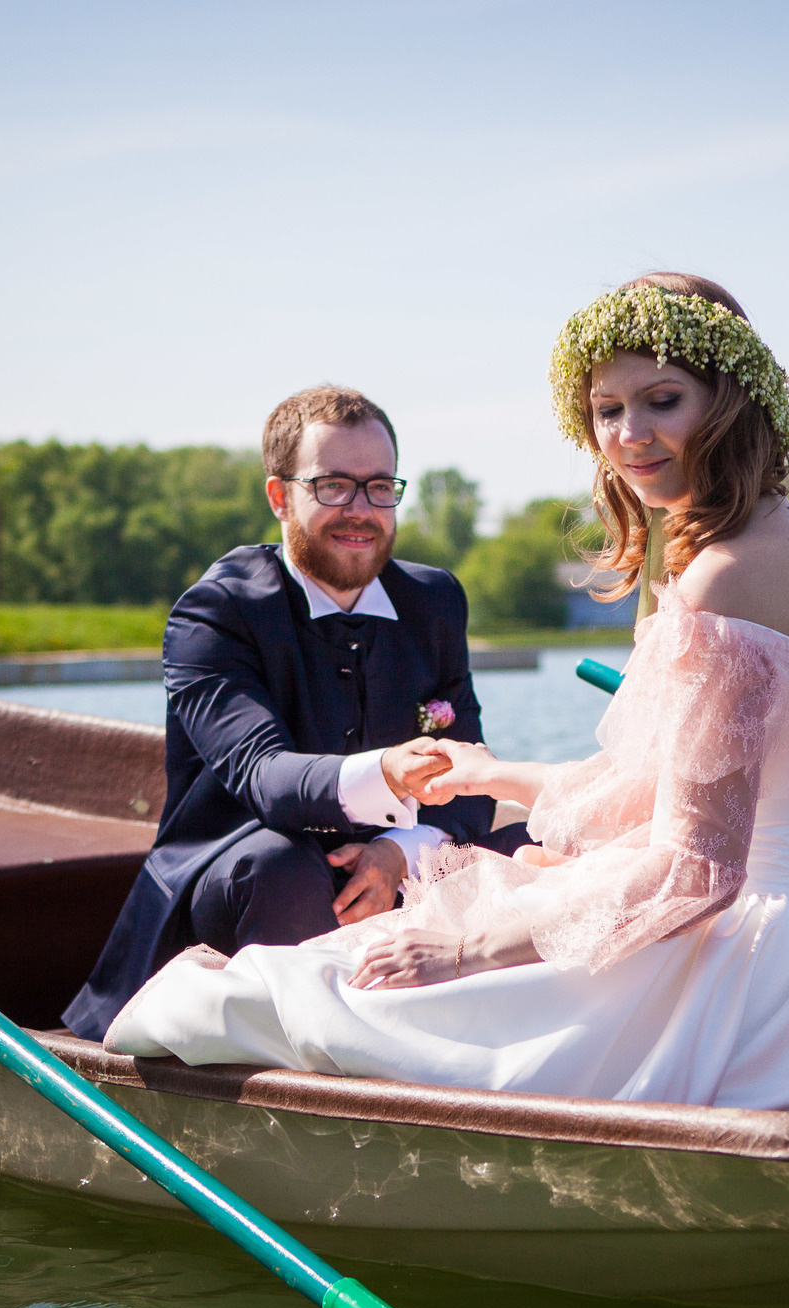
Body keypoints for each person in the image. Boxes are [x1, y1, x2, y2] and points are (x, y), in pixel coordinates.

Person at [103, 275, 789, 1113]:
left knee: (296, 994)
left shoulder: (722, 574)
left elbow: (696, 870)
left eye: (662, 400)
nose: (629, 435)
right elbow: (670, 786)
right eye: (607, 410)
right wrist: (490, 775)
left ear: (731, 399)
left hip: (733, 956)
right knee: (389, 945)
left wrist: (463, 948)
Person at [60, 385, 523, 1041]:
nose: (361, 510)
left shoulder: (435, 601)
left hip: (389, 869)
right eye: (334, 486)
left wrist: (398, 852)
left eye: (380, 487)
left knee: (541, 846)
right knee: (283, 867)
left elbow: (473, 778)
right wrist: (385, 774)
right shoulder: (215, 612)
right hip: (243, 873)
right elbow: (264, 775)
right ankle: (309, 1069)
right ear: (280, 497)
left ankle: (485, 1053)